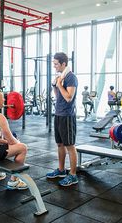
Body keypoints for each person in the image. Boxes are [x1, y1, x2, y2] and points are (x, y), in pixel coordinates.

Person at [46, 52, 78, 186]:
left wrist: (59, 85)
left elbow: (69, 97)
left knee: (69, 146)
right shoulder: (61, 77)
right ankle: (61, 170)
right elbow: (59, 96)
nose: (54, 66)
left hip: (67, 115)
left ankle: (73, 175)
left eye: (56, 64)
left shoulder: (71, 77)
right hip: (58, 114)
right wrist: (55, 86)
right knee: (60, 144)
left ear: (63, 64)